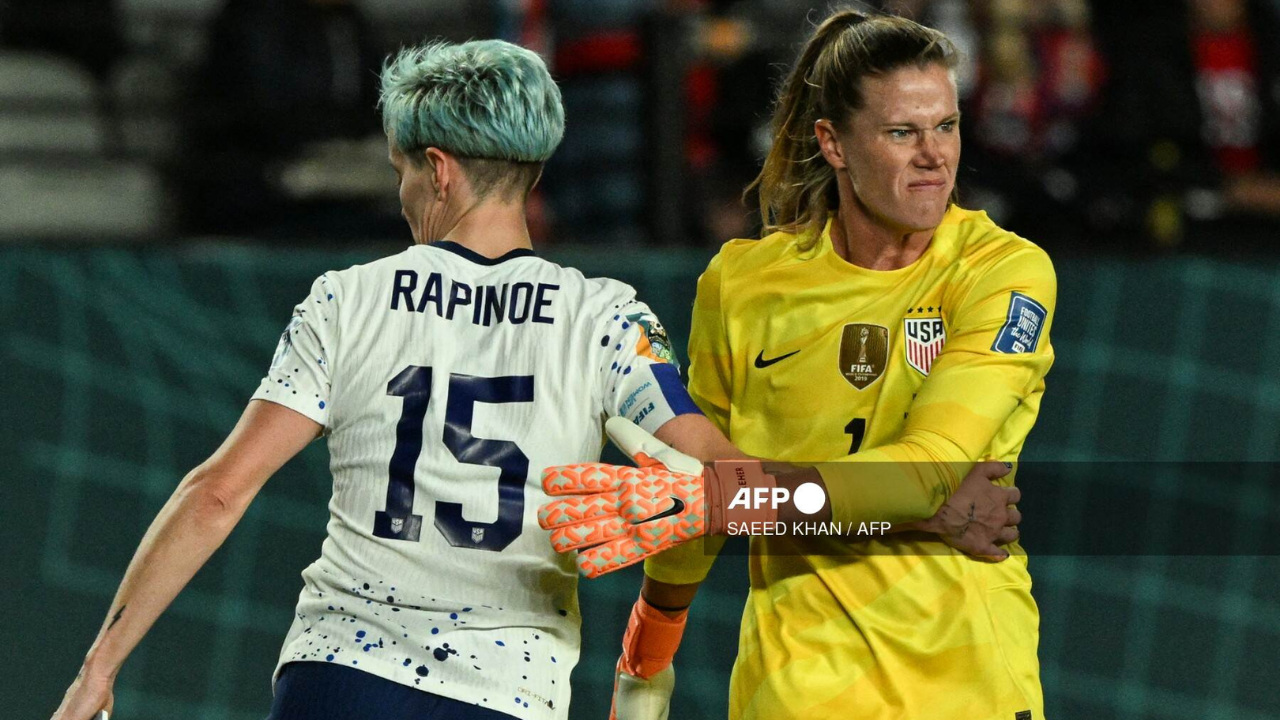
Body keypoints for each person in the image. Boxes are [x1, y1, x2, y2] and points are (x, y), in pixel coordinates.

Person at [47, 38, 742, 720]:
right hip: (508, 691)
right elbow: (738, 478)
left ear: (438, 171)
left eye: (401, 170)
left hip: (339, 676)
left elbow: (217, 495)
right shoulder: (605, 317)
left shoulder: (345, 300)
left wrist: (97, 670)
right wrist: (718, 499)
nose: (402, 191)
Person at [540, 10, 1056, 720]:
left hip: (965, 685)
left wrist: (729, 498)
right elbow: (697, 492)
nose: (935, 155)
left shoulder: (1003, 272)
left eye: (947, 125)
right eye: (903, 132)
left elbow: (929, 469)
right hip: (795, 690)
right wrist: (644, 661)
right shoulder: (744, 284)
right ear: (834, 143)